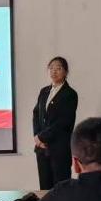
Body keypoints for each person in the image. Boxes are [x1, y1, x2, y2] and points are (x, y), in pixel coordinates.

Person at [33, 57, 78, 190]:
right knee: (45, 190)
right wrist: (37, 136)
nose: (54, 71)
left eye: (58, 68)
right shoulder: (44, 91)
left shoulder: (70, 94)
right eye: (51, 68)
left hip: (59, 150)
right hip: (42, 149)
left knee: (60, 189)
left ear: (65, 72)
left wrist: (42, 137)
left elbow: (64, 122)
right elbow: (36, 114)